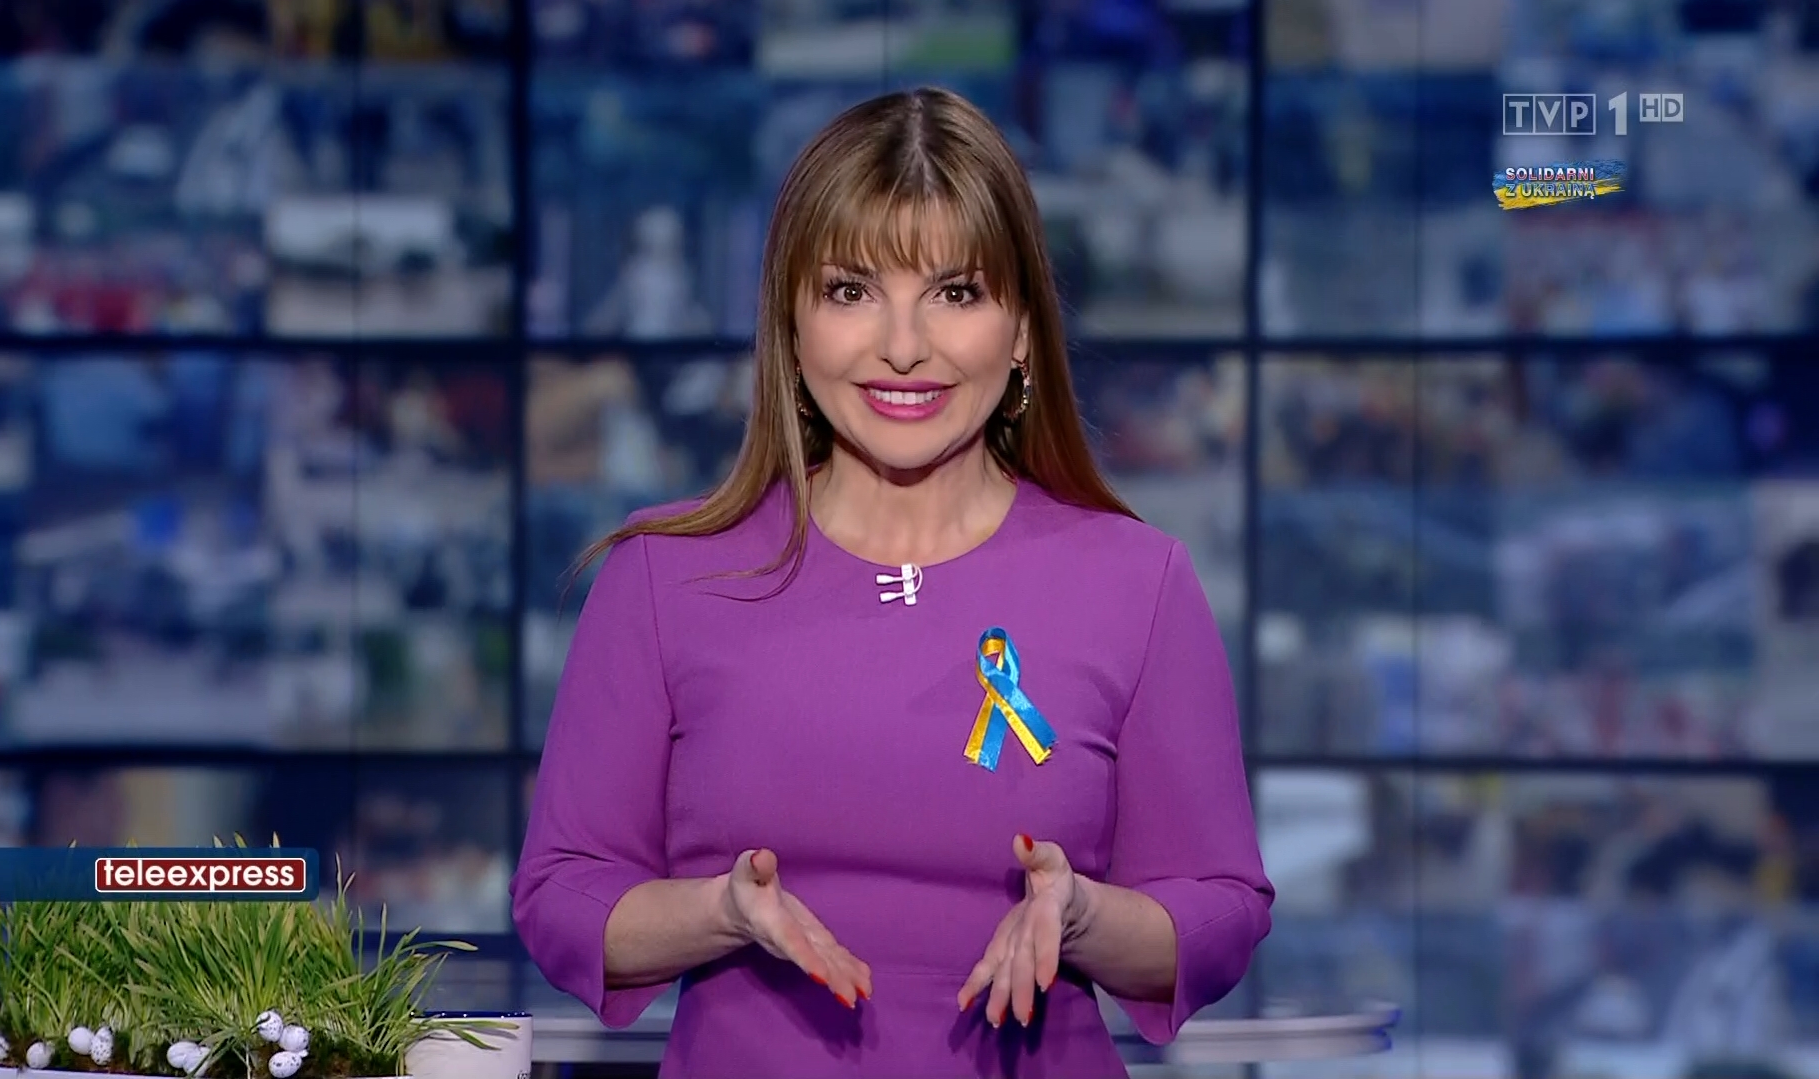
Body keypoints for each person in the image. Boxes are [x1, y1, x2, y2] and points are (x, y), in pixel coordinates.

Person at [511, 86, 1273, 1079]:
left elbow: (1219, 912)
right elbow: (562, 898)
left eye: (955, 293)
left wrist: (1084, 915)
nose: (903, 346)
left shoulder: (1139, 582)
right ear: (790, 325)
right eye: (850, 291)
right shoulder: (665, 575)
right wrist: (720, 911)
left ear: (1022, 329)